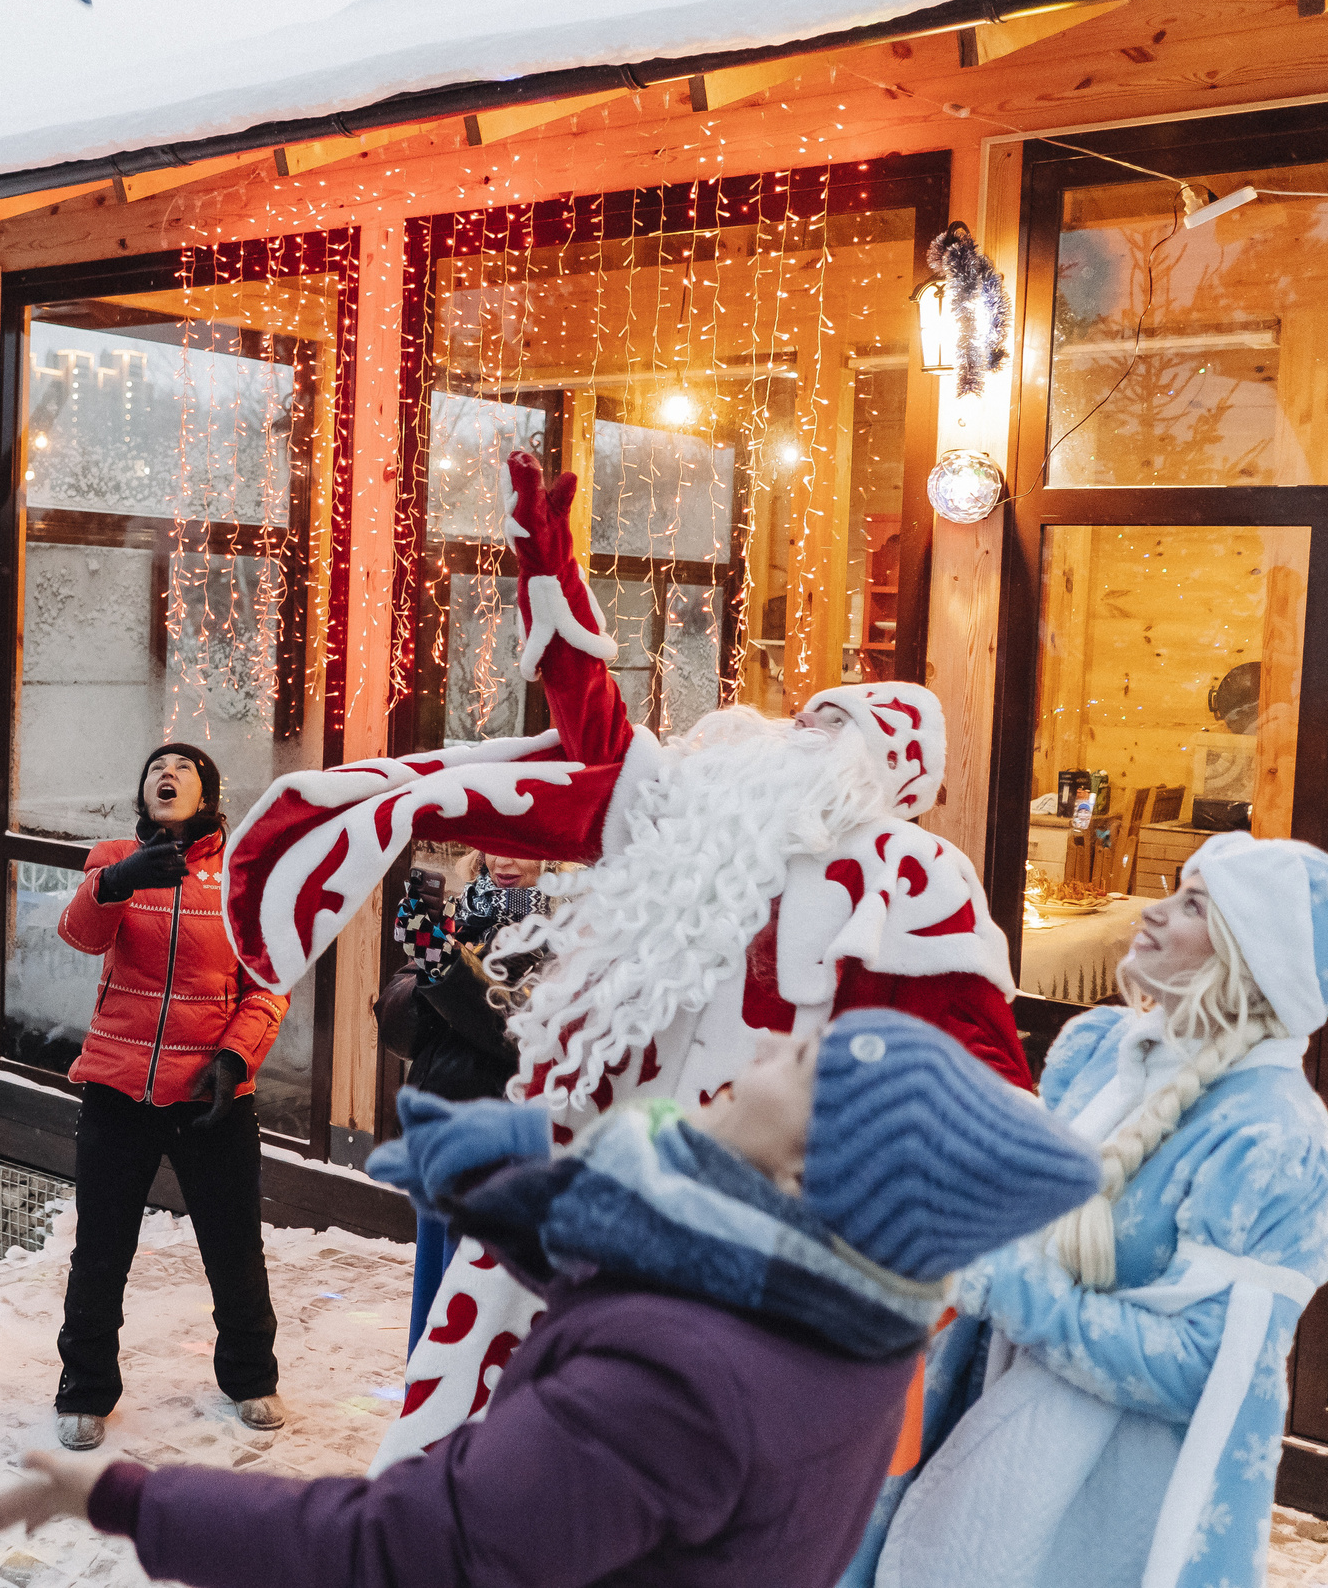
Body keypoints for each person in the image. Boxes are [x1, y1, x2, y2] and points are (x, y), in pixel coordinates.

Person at [223, 449, 1029, 1469]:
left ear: (887, 772)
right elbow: (591, 731)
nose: (797, 732)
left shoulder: (910, 877)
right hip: (602, 1179)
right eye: (810, 714)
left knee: (688, 1468)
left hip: (762, 1223)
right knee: (510, 1424)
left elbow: (979, 1070)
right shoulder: (696, 818)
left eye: (831, 725)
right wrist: (545, 564)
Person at [0, 1010, 1102, 1588]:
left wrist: (131, 1500)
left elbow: (406, 1551)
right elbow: (667, 1282)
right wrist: (509, 1188)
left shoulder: (677, 1385)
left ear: (805, 1177)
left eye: (793, 1066)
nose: (756, 1058)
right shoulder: (852, 1322)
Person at [841, 834, 1328, 1588]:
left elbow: (1201, 1368)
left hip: (1106, 1499)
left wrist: (1001, 1277)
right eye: (1174, 887)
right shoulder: (1097, 1048)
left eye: (1194, 904)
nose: (1154, 911)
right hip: (977, 1412)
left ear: (1254, 958)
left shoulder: (1274, 1138)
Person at [51, 742, 289, 1450]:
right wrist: (118, 880)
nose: (167, 773)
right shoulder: (113, 857)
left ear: (208, 793)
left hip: (209, 1093)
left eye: (184, 768)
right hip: (118, 1086)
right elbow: (78, 934)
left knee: (234, 1246)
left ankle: (251, 1376)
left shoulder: (244, 875)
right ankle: (85, 1388)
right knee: (99, 1248)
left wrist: (234, 1054)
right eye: (157, 766)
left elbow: (269, 982)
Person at [377, 853, 555, 1348]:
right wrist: (426, 961)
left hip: (513, 1150)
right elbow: (398, 1033)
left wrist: (444, 963)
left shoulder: (566, 926)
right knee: (439, 1306)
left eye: (522, 845)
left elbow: (527, 1034)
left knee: (488, 1321)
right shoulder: (463, 916)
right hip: (444, 1140)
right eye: (493, 843)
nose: (505, 859)